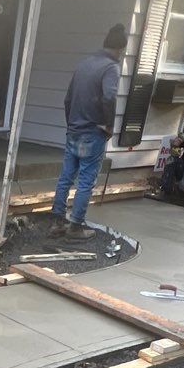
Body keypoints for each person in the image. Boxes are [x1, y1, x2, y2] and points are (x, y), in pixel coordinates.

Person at [51, 24, 125, 240]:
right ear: (120, 49)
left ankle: (56, 222)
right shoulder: (110, 68)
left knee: (66, 177)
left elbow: (67, 99)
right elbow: (109, 97)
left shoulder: (84, 64)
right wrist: (108, 125)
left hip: (74, 129)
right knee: (85, 181)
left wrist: (71, 124)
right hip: (92, 132)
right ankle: (75, 227)